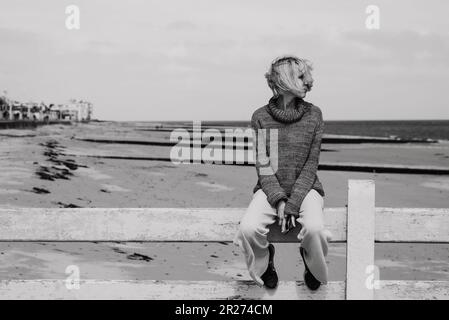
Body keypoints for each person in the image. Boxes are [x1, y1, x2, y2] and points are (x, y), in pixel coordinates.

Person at [233, 55, 332, 290]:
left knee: (316, 229)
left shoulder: (314, 114)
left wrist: (293, 203)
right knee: (247, 229)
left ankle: (311, 263)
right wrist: (278, 200)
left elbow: (311, 164)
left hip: (306, 188)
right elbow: (263, 165)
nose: (310, 82)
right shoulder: (260, 117)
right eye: (302, 76)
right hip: (269, 189)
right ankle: (266, 262)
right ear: (285, 80)